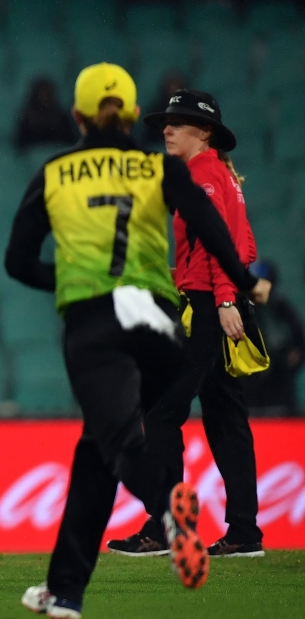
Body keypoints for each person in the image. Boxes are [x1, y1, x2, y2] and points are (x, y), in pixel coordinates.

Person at [5, 63, 271, 618]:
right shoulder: (165, 171)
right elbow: (214, 229)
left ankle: (167, 512)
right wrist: (244, 285)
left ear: (76, 116)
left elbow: (17, 261)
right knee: (99, 451)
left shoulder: (57, 170)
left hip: (99, 322)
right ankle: (65, 592)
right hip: (159, 321)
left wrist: (76, 276)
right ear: (130, 115)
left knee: (126, 438)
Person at [109, 90, 268, 559]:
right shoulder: (224, 174)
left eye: (179, 122)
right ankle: (244, 532)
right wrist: (227, 290)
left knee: (160, 413)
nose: (167, 129)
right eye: (166, 121)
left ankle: (166, 526)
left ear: (206, 133)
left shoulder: (201, 174)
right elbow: (245, 244)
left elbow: (222, 244)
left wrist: (221, 298)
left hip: (206, 307)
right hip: (211, 299)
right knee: (225, 418)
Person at [242, 260, 304, 415]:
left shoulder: (281, 308)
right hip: (250, 390)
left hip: (280, 387)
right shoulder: (241, 310)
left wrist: (294, 356)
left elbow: (299, 342)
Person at [14, 77, 78, 151]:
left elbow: (70, 141)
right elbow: (21, 144)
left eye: (47, 93)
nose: (44, 97)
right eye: (42, 93)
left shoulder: (61, 117)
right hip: (33, 158)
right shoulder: (27, 118)